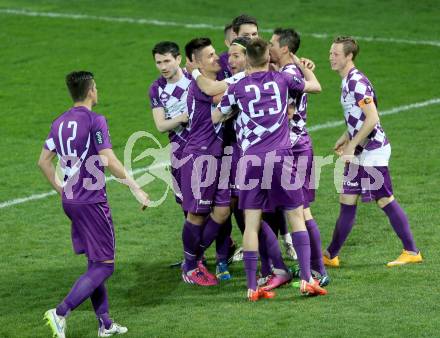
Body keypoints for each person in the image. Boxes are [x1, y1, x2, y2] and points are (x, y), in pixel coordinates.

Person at [212, 38, 327, 301]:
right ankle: (307, 280)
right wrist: (300, 63)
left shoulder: (237, 86)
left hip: (251, 160)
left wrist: (235, 114)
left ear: (247, 60)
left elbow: (216, 116)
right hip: (282, 158)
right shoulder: (283, 80)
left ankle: (252, 286)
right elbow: (315, 87)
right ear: (267, 57)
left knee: (251, 225)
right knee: (296, 217)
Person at [39, 71, 149, 337]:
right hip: (91, 201)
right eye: (96, 87)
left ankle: (105, 323)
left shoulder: (59, 122)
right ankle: (60, 312)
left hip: (72, 200)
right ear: (90, 91)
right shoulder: (94, 120)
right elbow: (109, 160)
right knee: (105, 266)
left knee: (94, 263)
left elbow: (43, 161)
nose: (97, 91)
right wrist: (136, 188)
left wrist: (63, 190)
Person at [325, 36, 423, 267]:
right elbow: (358, 119)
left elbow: (372, 118)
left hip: (372, 152)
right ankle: (330, 256)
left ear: (349, 56)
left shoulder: (356, 82)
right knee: (347, 199)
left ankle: (411, 251)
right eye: (331, 52)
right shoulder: (347, 80)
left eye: (336, 53)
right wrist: (345, 137)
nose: (331, 57)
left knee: (384, 199)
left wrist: (351, 145)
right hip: (360, 151)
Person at [269, 28, 329, 286]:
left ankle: (318, 271)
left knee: (302, 211)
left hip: (293, 148)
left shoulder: (289, 74)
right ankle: (316, 269)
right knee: (301, 210)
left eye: (272, 43)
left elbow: (290, 111)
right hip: (297, 145)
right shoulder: (289, 70)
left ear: (284, 48)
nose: (269, 46)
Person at [179, 38, 231, 286]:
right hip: (200, 156)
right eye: (210, 56)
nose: (216, 58)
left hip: (216, 155)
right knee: (197, 215)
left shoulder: (209, 81)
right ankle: (190, 267)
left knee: (222, 211)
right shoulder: (201, 84)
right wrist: (244, 78)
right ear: (198, 62)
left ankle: (194, 257)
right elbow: (214, 91)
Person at [149, 41, 190, 207]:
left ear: (178, 59)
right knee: (187, 206)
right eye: (159, 62)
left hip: (205, 145)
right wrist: (182, 118)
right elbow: (160, 125)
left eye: (167, 61)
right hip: (179, 151)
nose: (163, 67)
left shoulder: (194, 77)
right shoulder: (157, 88)